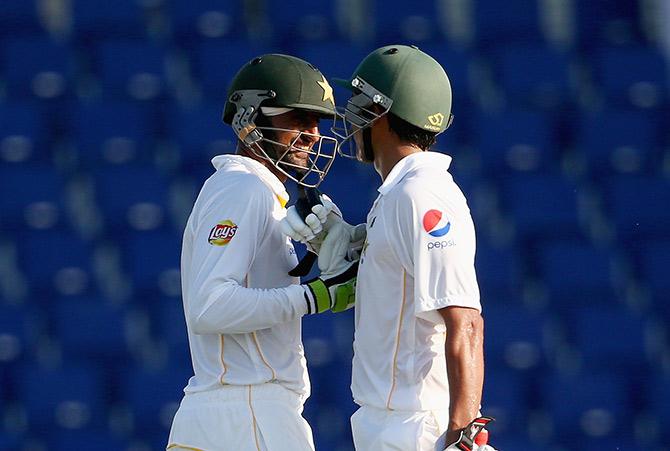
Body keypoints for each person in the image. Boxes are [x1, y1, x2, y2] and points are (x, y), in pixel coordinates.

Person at [281, 45, 496, 451]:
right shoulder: (399, 194)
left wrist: (464, 435)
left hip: (416, 428)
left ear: (379, 113)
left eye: (358, 102)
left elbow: (466, 322)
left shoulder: (421, 195)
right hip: (390, 423)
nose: (350, 116)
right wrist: (345, 246)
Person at [167, 53, 358, 451]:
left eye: (316, 123)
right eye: (297, 119)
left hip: (236, 416)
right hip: (246, 416)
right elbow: (209, 307)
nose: (311, 135)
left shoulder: (255, 192)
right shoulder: (242, 189)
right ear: (249, 121)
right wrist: (316, 295)